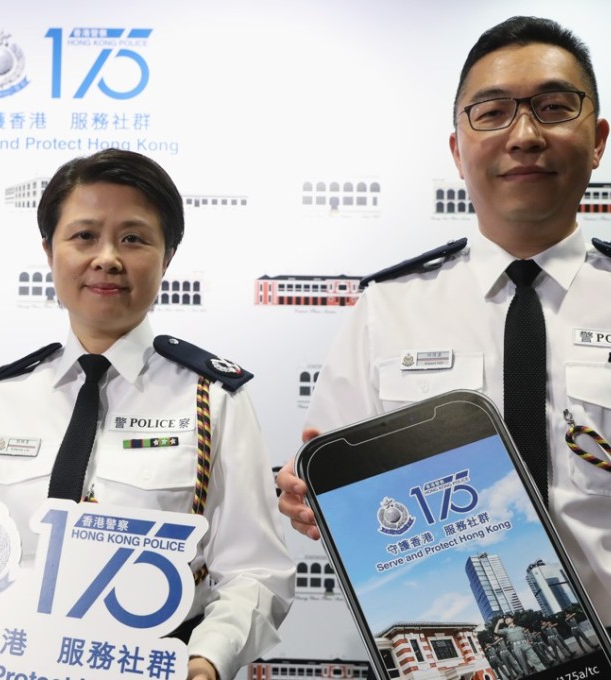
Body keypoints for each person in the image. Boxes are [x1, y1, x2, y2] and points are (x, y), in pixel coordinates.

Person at [0, 148, 295, 680]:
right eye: (84, 236)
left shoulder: (212, 398)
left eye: (133, 238)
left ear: (168, 256)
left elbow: (255, 571)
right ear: (49, 251)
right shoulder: (2, 396)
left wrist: (206, 660)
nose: (107, 257)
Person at [276, 15, 611, 632]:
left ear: (598, 140)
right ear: (457, 151)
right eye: (492, 113)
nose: (525, 134)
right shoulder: (389, 307)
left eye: (555, 107)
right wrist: (317, 500)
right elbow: (336, 488)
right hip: (474, 646)